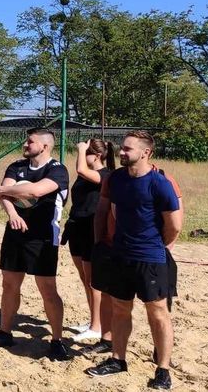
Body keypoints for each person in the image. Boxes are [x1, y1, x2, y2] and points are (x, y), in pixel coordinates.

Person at [86, 131, 182, 390]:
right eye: (122, 148)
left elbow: (174, 225)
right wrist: (100, 244)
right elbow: (105, 212)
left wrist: (156, 245)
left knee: (158, 312)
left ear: (146, 152)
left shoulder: (159, 183)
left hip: (150, 257)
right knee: (120, 308)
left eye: (128, 149)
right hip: (120, 254)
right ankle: (118, 359)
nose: (122, 152)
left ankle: (163, 370)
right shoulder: (116, 179)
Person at [0, 127, 72, 361]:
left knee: (47, 289)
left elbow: (35, 190)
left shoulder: (57, 170)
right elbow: (4, 197)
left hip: (43, 236)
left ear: (45, 146)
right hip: (15, 231)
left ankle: (57, 341)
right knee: (9, 284)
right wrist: (13, 214)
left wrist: (5, 189)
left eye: (30, 141)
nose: (25, 145)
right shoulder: (16, 166)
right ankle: (4, 332)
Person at [62, 138, 115, 345]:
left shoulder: (105, 175)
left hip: (92, 228)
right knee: (85, 278)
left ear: (98, 156)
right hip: (77, 226)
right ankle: (94, 321)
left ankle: (96, 327)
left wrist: (81, 150)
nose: (83, 156)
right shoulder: (87, 176)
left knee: (94, 281)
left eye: (88, 153)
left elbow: (82, 171)